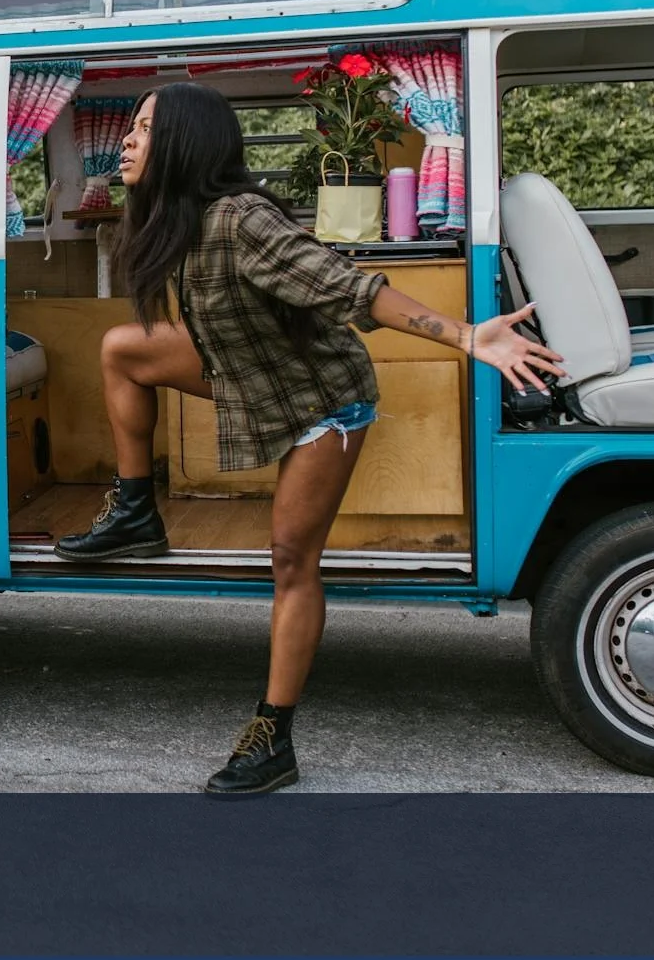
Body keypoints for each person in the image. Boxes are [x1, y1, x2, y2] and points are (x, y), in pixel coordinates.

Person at [54, 83, 561, 796]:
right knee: (121, 348)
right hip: (252, 368)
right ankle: (136, 510)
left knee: (291, 556)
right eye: (130, 128)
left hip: (324, 399)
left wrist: (466, 334)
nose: (129, 141)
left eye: (143, 128)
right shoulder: (177, 218)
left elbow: (352, 288)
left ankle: (273, 735)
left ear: (185, 143)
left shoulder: (241, 219)